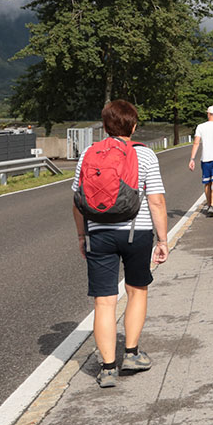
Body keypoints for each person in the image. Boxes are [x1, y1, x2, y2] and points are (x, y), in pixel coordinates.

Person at [72, 100, 169, 388]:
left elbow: (78, 203)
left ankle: (107, 368)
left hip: (98, 234)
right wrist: (162, 240)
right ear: (134, 126)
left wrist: (81, 235)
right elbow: (156, 201)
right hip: (136, 233)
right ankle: (131, 354)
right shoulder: (146, 156)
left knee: (103, 301)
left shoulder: (88, 154)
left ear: (104, 127)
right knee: (136, 291)